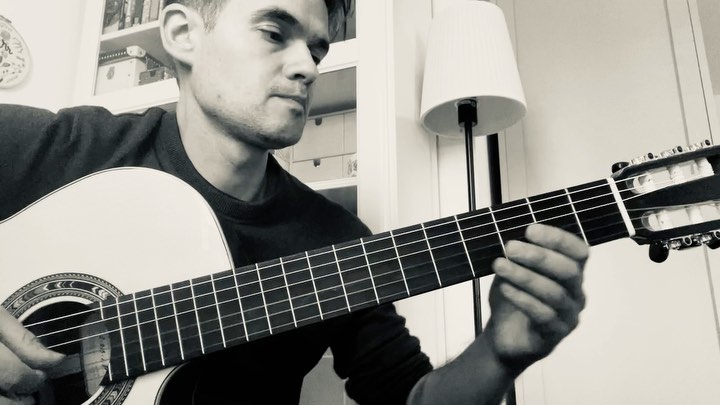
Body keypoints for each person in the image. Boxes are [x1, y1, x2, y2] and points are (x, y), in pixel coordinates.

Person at [0, 0, 589, 404]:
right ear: (183, 34)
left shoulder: (336, 243)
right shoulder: (57, 148)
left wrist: (498, 354)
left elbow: (408, 398)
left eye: (317, 50)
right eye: (273, 33)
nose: (307, 66)